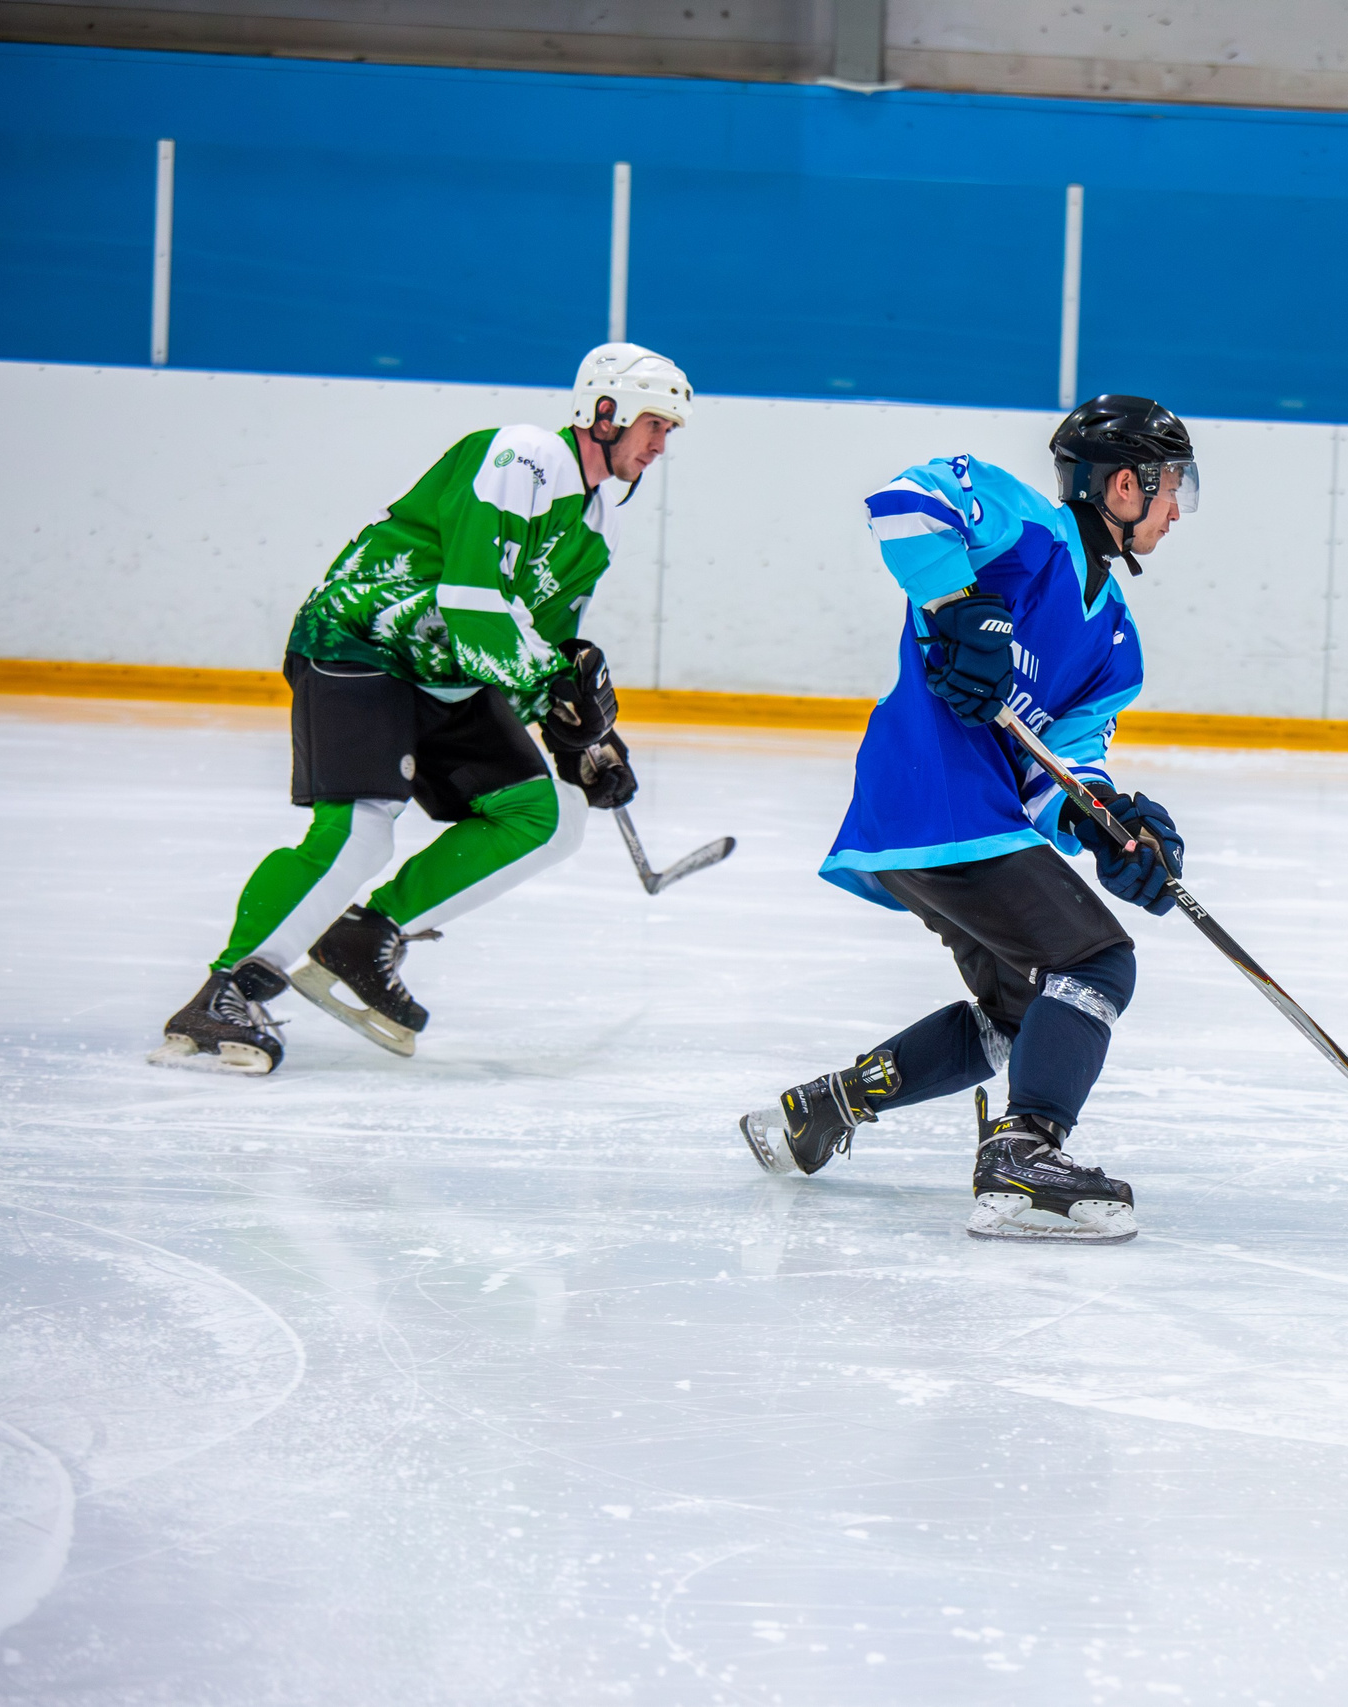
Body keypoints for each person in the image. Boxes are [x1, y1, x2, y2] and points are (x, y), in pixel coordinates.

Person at [150, 343, 694, 1073]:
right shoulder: (524, 457)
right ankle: (227, 991)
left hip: (446, 669)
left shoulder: (599, 525)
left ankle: (365, 937)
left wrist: (587, 741)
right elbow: (471, 602)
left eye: (668, 431)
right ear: (606, 412)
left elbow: (543, 644)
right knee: (361, 830)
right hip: (363, 641)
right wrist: (555, 691)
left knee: (547, 817)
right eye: (654, 424)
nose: (661, 445)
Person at [738, 395, 1198, 1244]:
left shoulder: (1115, 643)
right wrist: (956, 601)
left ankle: (827, 1107)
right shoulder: (1026, 532)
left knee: (1024, 1011)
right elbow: (903, 502)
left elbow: (1059, 770)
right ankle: (1025, 1150)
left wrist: (1107, 825)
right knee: (1095, 960)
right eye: (1172, 486)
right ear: (1125, 485)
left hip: (952, 818)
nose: (1178, 509)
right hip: (936, 795)